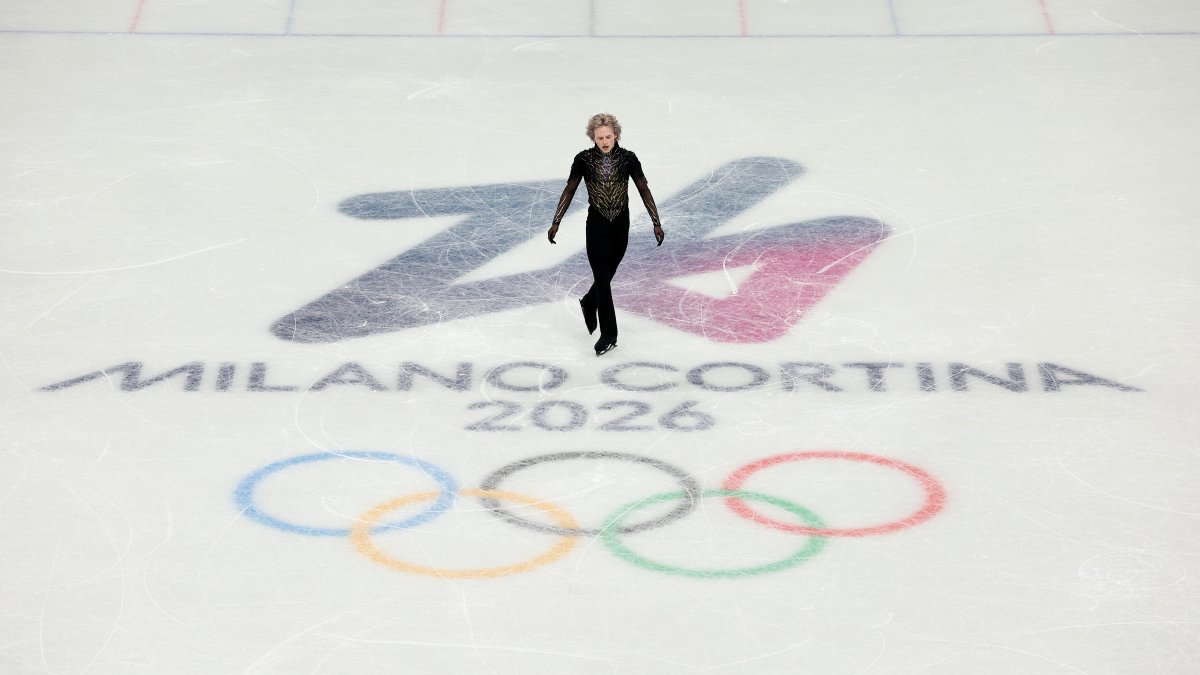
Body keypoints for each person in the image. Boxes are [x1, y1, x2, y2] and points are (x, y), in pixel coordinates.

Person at [548, 113, 665, 356]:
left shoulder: (628, 159)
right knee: (602, 277)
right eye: (599, 137)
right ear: (593, 137)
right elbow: (570, 189)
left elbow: (643, 188)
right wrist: (556, 221)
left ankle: (590, 302)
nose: (604, 141)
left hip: (621, 224)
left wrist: (656, 222)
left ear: (616, 135)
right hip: (597, 225)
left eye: (608, 136)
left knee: (608, 272)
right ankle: (609, 334)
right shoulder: (583, 160)